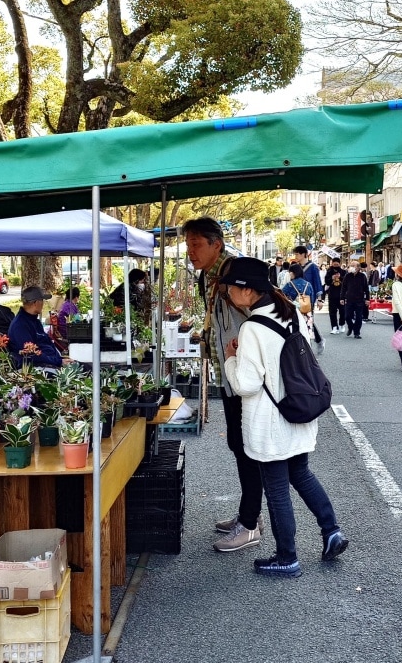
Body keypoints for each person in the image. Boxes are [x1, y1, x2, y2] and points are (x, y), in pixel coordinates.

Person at [221, 256, 348, 578]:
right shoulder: (288, 310)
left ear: (246, 290)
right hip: (298, 410)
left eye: (230, 289)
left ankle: (286, 556)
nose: (227, 294)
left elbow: (245, 385)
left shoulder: (252, 327)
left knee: (276, 487)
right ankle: (331, 531)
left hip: (270, 422)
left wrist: (231, 359)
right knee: (301, 474)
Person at [183, 217, 263, 554]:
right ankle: (250, 515)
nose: (190, 253)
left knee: (247, 447)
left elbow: (257, 316)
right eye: (188, 246)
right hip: (229, 376)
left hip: (245, 378)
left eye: (196, 245)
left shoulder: (235, 272)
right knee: (238, 443)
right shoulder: (208, 275)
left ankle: (250, 523)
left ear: (217, 244)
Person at [8, 286, 65, 368]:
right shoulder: (20, 326)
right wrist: (59, 362)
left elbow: (46, 343)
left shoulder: (34, 320)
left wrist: (60, 359)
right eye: (42, 300)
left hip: (52, 361)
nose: (43, 303)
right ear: (35, 303)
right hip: (37, 368)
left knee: (85, 367)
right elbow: (32, 356)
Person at [339, 260, 369, 339]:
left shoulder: (362, 276)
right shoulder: (347, 276)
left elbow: (366, 288)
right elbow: (343, 287)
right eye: (351, 265)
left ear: (358, 268)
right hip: (349, 299)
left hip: (359, 299)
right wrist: (342, 298)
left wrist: (367, 299)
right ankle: (351, 327)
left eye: (353, 265)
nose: (351, 267)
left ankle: (357, 332)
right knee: (347, 316)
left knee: (359, 317)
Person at [324, 258, 345, 334]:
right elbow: (326, 282)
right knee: (332, 312)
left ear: (339, 263)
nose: (335, 265)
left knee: (342, 311)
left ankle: (342, 324)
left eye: (337, 264)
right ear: (332, 263)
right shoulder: (329, 272)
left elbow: (346, 282)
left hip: (341, 294)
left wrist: (340, 277)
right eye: (334, 264)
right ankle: (334, 327)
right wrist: (331, 278)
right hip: (332, 294)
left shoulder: (343, 271)